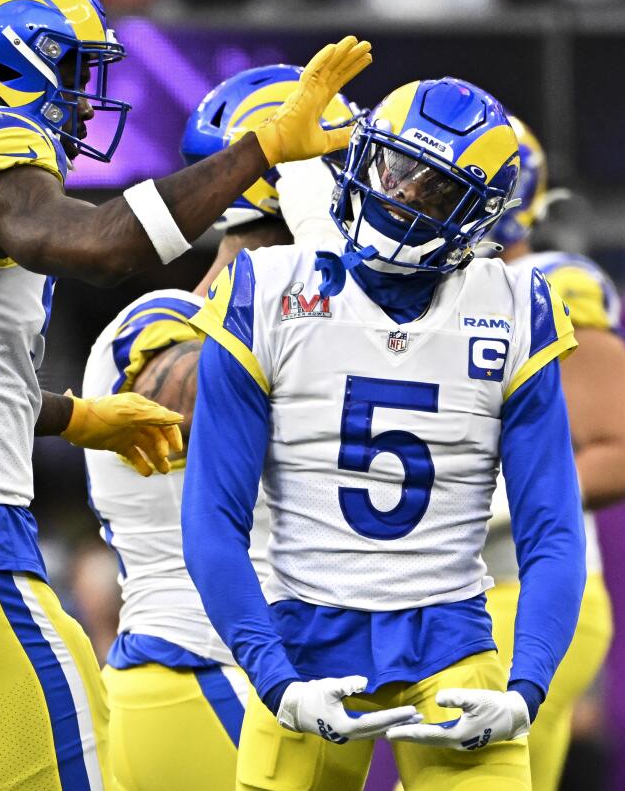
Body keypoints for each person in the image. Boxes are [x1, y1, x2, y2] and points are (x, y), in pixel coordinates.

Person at [0, 0, 373, 791]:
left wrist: (72, 416)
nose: (80, 97)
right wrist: (260, 153)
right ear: (5, 57)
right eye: (71, 69)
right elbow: (105, 247)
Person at [182, 78, 587, 791]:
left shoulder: (516, 304)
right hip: (304, 638)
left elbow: (550, 528)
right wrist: (274, 679)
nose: (397, 193)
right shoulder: (268, 289)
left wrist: (526, 688)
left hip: (453, 641)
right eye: (389, 167)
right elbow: (213, 517)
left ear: (478, 216)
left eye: (431, 189)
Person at [80, 65, 357, 791]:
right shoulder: (158, 322)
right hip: (200, 669)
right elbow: (179, 399)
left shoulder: (318, 320)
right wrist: (329, 274)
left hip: (261, 677)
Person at [480, 116, 625, 791]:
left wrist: (487, 506)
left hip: (515, 592)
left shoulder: (544, 288)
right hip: (457, 596)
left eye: (426, 183)